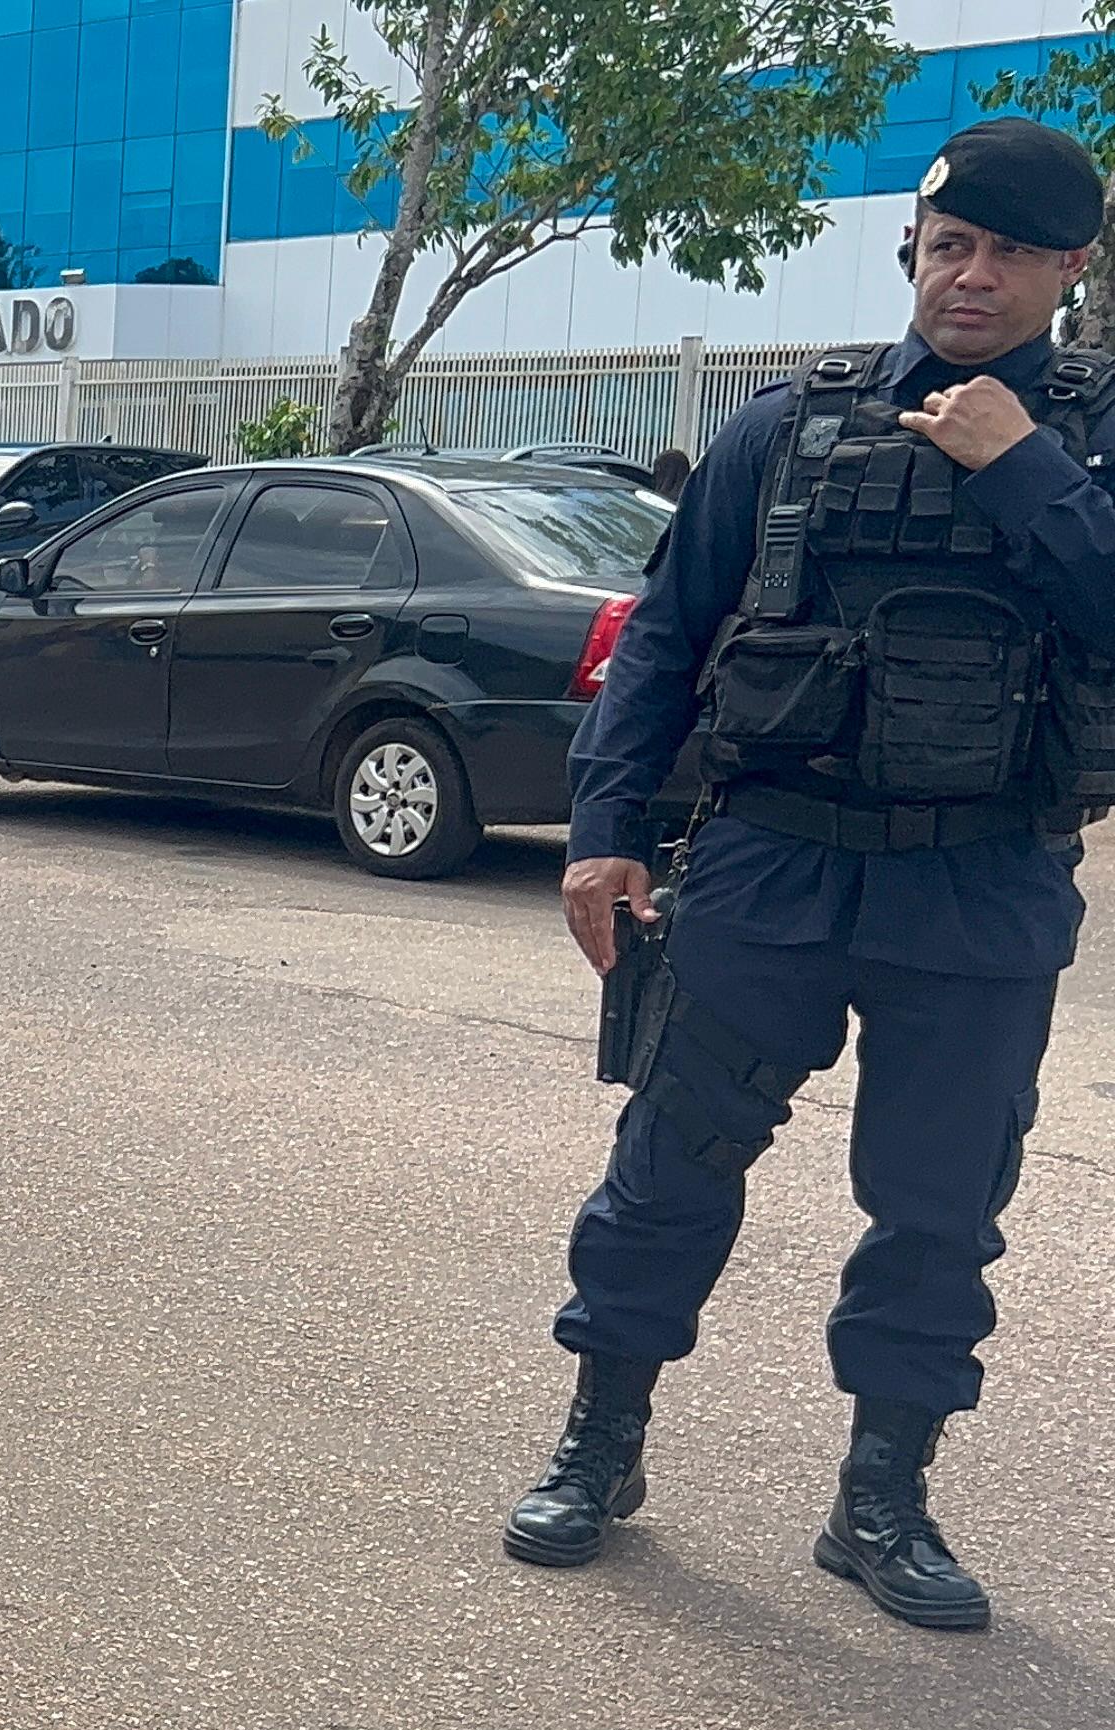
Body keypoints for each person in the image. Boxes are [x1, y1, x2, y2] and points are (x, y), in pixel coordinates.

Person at [516, 116, 1115, 1634]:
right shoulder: (788, 427)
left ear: (1069, 271)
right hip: (770, 868)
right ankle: (602, 1443)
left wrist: (1027, 469)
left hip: (980, 889)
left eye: (1008, 254)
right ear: (915, 250)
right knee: (667, 1168)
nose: (970, 277)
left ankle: (882, 1496)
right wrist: (605, 831)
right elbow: (665, 633)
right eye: (948, 246)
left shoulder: (1089, 449)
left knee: (936, 1212)